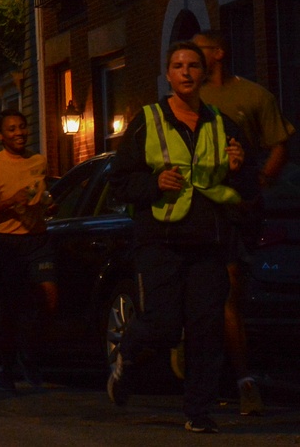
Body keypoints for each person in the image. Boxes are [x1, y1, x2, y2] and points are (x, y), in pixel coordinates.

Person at [108, 41, 257, 434]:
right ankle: (126, 354)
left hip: (209, 242)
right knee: (163, 324)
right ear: (168, 75)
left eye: (194, 65)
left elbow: (246, 183)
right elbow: (119, 182)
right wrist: (154, 182)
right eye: (178, 65)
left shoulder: (222, 124)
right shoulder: (148, 120)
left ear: (204, 73)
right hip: (160, 241)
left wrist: (239, 168)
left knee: (206, 327)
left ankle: (198, 411)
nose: (187, 72)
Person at [193, 29, 295, 416]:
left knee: (230, 292)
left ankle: (240, 377)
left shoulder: (252, 96)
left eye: (198, 52)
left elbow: (280, 143)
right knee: (208, 294)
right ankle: (215, 372)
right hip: (197, 209)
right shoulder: (190, 100)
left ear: (217, 53)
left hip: (237, 210)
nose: (192, 60)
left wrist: (261, 182)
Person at [0, 109, 55, 392]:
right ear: (0, 136)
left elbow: (42, 194)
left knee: (47, 299)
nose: (19, 133)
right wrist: (11, 202)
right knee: (8, 310)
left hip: (38, 239)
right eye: (11, 129)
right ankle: (6, 366)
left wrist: (46, 203)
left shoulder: (38, 160)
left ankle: (30, 355)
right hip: (7, 243)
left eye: (22, 127)